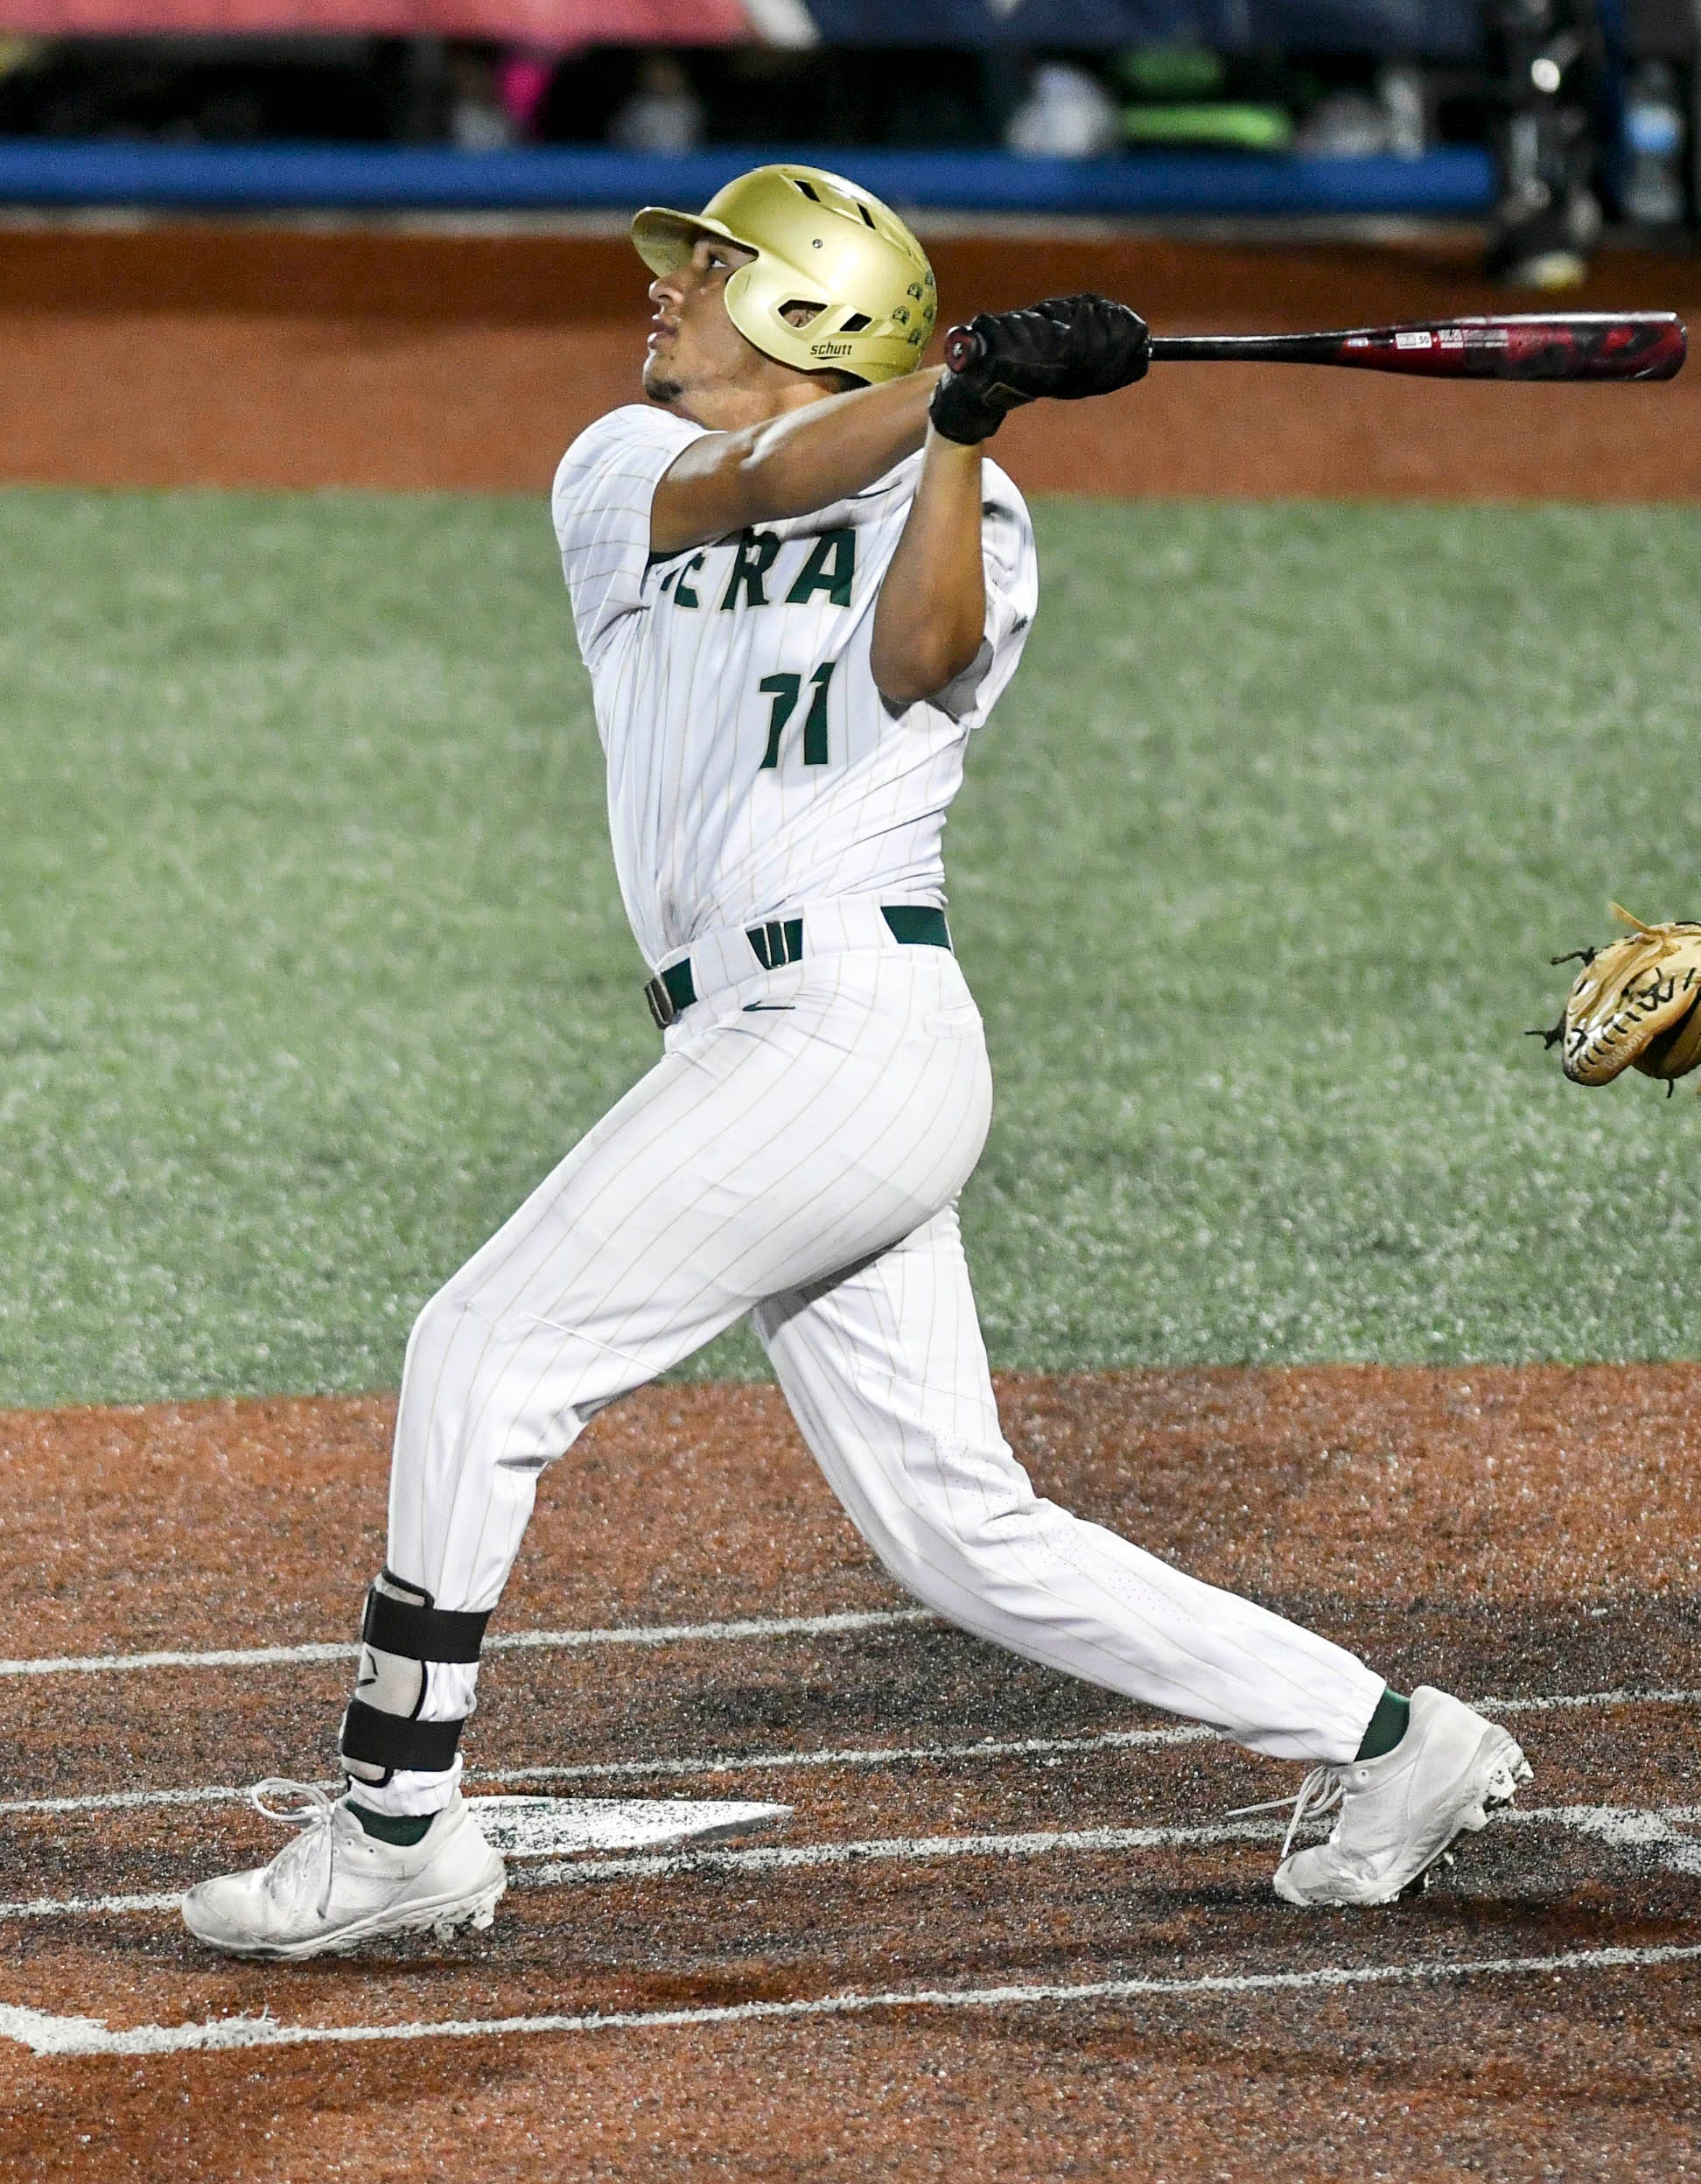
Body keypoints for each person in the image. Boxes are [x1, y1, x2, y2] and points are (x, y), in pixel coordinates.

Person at [181, 164, 1530, 1960]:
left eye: (716, 269)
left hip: (850, 1031)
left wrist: (965, 433)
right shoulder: (614, 468)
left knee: (484, 1351)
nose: (668, 289)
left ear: (813, 309)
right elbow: (758, 480)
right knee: (959, 1533)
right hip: (768, 1046)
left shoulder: (987, 507)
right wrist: (962, 390)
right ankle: (1397, 1741)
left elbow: (922, 650)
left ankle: (395, 1825)